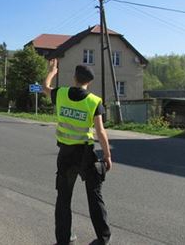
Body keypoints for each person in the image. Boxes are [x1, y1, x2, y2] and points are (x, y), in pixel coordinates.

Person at [43, 59, 112, 245]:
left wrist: (52, 71)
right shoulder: (94, 101)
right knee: (94, 196)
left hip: (65, 155)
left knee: (64, 198)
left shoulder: (61, 94)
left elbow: (45, 87)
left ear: (74, 77)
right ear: (89, 82)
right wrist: (107, 155)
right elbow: (100, 131)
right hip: (85, 155)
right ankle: (103, 238)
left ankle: (65, 240)